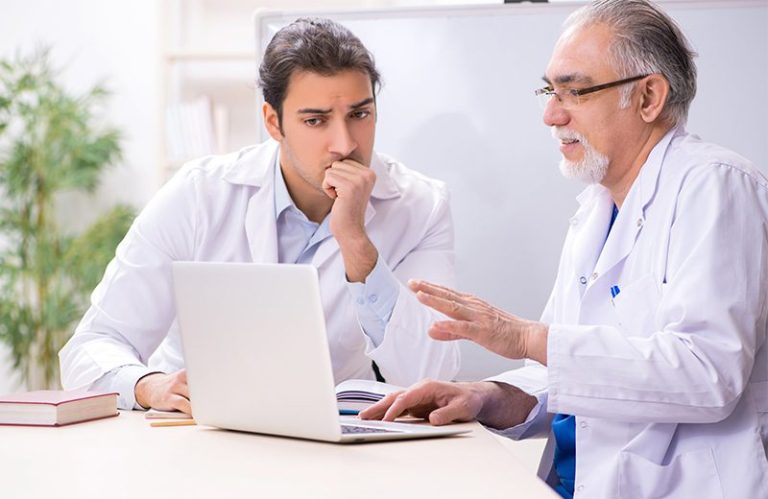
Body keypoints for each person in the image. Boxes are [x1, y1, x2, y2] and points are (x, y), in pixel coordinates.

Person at [360, 1, 768, 497]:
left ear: (648, 97)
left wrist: (526, 337)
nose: (551, 115)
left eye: (575, 91)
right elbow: (565, 375)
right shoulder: (594, 211)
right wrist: (485, 396)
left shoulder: (716, 186)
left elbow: (708, 375)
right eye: (549, 91)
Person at [59, 18, 460, 414]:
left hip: (334, 432)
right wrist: (149, 385)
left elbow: (433, 372)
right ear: (273, 122)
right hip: (197, 429)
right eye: (315, 120)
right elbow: (91, 347)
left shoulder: (421, 206)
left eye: (359, 115)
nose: (344, 144)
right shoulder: (199, 195)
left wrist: (356, 244)